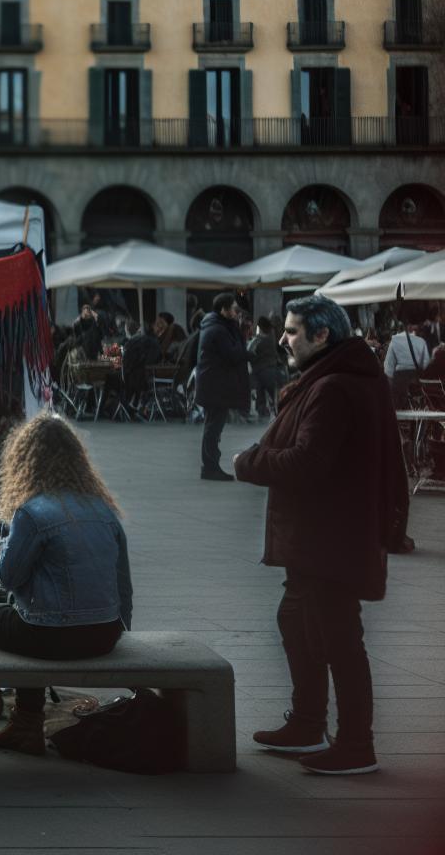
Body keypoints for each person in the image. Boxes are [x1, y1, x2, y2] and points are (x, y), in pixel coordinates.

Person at [233, 296, 408, 774]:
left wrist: (249, 462)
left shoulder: (333, 386)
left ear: (322, 335)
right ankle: (308, 724)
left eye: (292, 331)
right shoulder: (338, 377)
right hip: (321, 535)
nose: (283, 339)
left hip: (330, 536)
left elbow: (308, 462)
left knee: (338, 637)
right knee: (296, 621)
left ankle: (356, 745)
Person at [0, 411, 132, 756]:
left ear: (24, 461)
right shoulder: (104, 510)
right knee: (22, 615)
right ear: (78, 460)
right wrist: (121, 633)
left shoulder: (32, 512)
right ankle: (23, 722)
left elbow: (9, 578)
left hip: (51, 636)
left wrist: (1, 548)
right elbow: (124, 586)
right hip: (105, 634)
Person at [194, 292, 249, 481]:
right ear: (224, 309)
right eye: (234, 309)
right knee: (213, 428)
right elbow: (233, 354)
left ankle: (210, 466)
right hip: (215, 386)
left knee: (213, 426)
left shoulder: (217, 325)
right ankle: (210, 467)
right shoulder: (218, 329)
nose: (236, 312)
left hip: (215, 384)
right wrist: (244, 343)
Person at [383, 310, 430, 409]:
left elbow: (388, 370)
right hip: (416, 384)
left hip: (399, 385)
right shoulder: (422, 342)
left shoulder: (394, 341)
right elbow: (426, 366)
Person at [247, 316, 287, 421]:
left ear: (260, 327)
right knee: (272, 394)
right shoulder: (272, 337)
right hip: (272, 370)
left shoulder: (259, 340)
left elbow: (250, 353)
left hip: (260, 371)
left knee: (261, 393)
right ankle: (278, 413)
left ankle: (263, 414)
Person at [119, 319, 161, 411]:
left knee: (109, 381)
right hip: (148, 376)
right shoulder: (151, 341)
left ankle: (103, 410)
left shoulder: (131, 343)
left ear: (127, 330)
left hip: (133, 380)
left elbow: (126, 365)